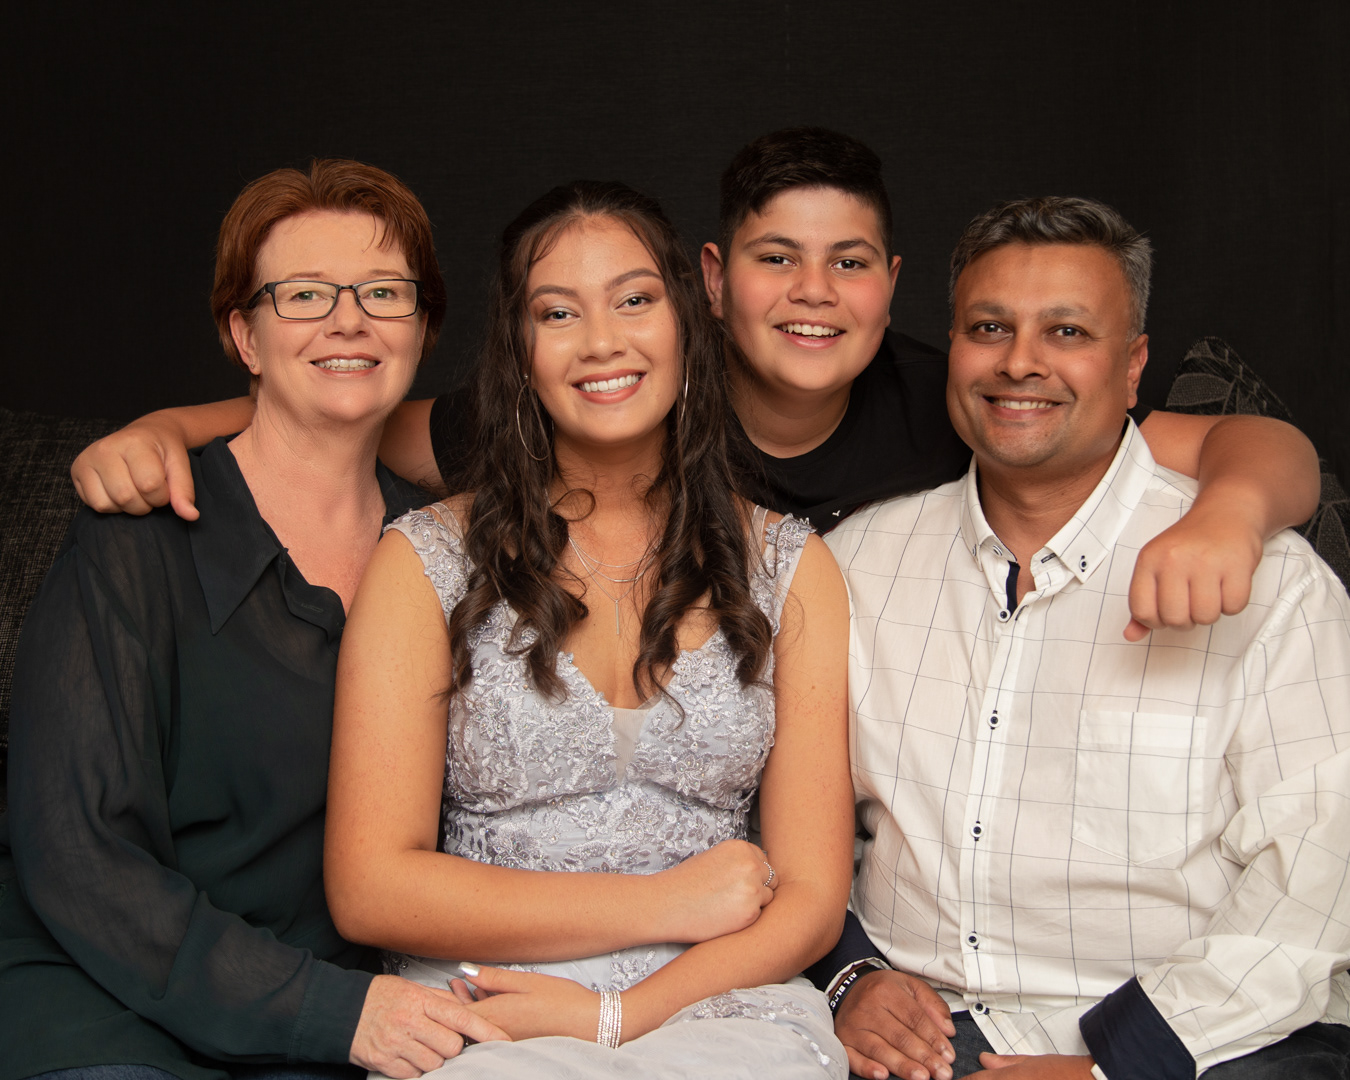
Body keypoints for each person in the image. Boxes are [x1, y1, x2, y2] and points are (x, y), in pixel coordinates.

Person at [65, 129, 1322, 644]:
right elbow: (355, 415)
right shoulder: (624, 388)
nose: (813, 295)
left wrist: (1227, 516)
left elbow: (1255, 446)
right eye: (776, 259)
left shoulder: (963, 399)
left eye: (849, 264)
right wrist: (174, 423)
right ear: (712, 282)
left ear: (891, 286)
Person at [323, 180, 854, 1078]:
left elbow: (810, 896)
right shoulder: (424, 562)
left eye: (634, 300)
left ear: (687, 321)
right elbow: (369, 887)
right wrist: (664, 903)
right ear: (519, 351)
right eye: (558, 312)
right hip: (493, 1000)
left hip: (723, 1002)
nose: (602, 341)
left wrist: (618, 1017)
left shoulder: (792, 568)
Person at [816, 196, 1350, 1080]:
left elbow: (1319, 882)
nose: (1020, 361)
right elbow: (792, 828)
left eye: (1066, 332)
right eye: (990, 327)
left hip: (1203, 1044)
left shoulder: (1272, 582)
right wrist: (850, 977)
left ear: (1133, 368)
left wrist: (1118, 1064)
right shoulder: (855, 564)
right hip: (915, 1035)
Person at [0, 160, 506, 1080]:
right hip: (102, 997)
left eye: (384, 292)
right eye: (304, 294)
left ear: (422, 327)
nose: (348, 320)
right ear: (246, 335)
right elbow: (75, 850)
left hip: (325, 1019)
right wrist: (327, 1010)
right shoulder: (137, 536)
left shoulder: (450, 555)